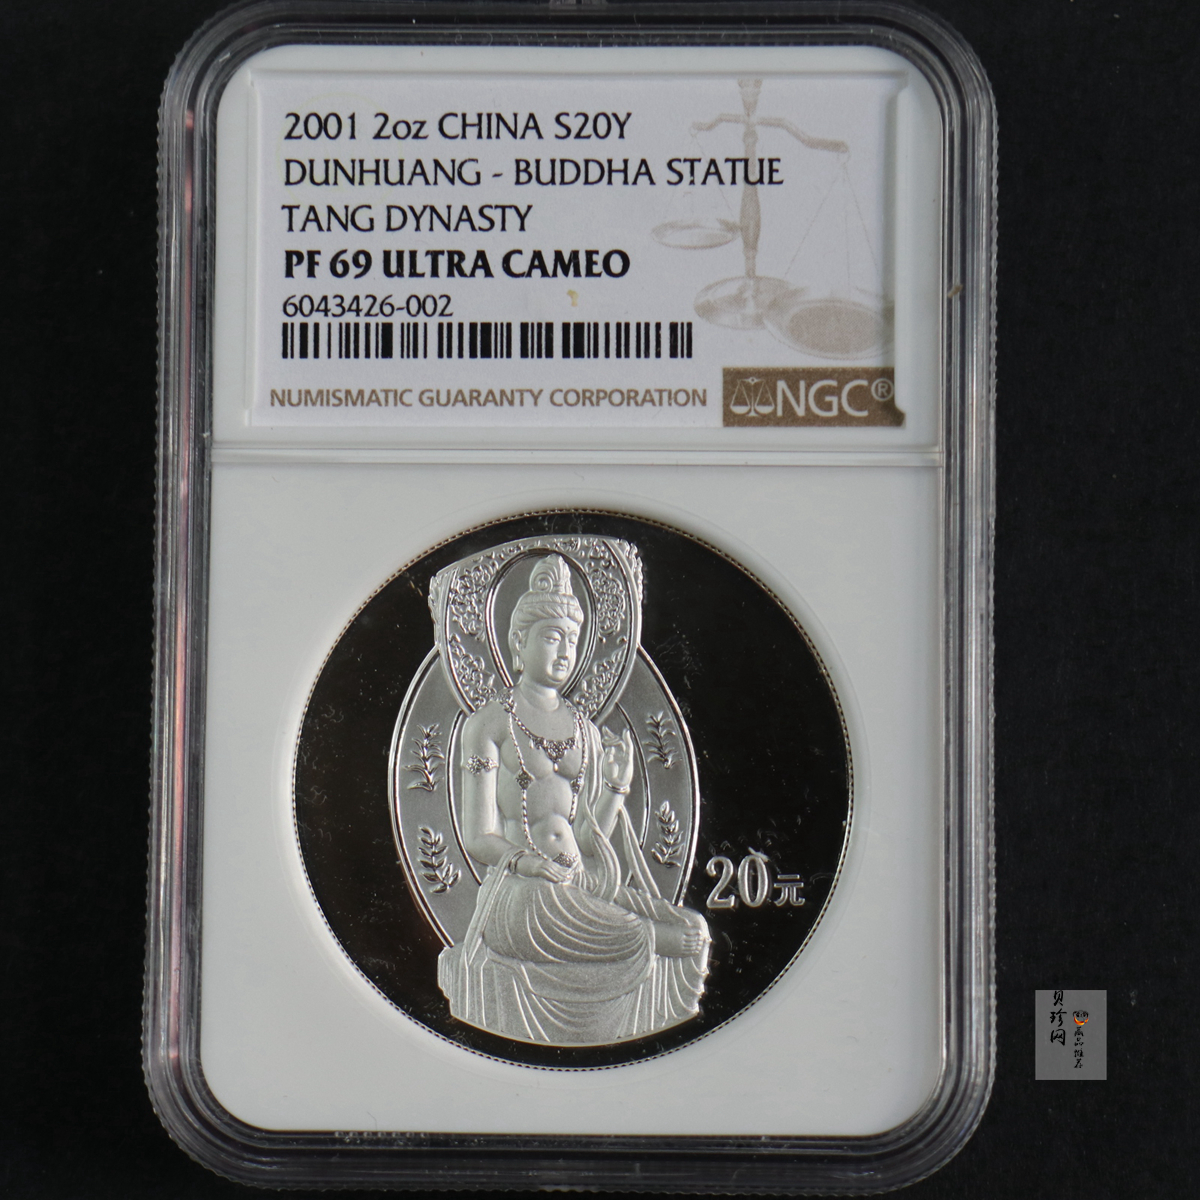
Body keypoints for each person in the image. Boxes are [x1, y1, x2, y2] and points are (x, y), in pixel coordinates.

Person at [437, 554, 710, 1045]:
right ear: (518, 643)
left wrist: (616, 788)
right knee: (556, 903)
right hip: (523, 892)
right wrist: (529, 864)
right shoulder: (489, 725)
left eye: (573, 639)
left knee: (690, 924)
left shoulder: (585, 730)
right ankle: (646, 938)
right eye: (551, 637)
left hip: (581, 882)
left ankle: (646, 931)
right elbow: (478, 836)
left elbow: (586, 837)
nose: (565, 651)